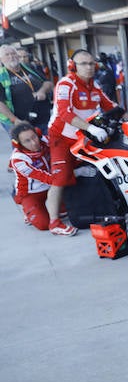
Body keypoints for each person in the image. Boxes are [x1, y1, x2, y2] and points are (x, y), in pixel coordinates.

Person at [45, 48, 120, 237]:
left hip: (84, 138)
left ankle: (108, 210)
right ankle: (54, 222)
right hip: (61, 138)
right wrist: (91, 128)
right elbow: (64, 113)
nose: (89, 67)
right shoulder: (65, 84)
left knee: (102, 171)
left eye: (92, 63)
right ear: (72, 66)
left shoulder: (95, 86)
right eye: (84, 64)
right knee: (60, 178)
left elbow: (111, 107)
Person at [0, 44, 53, 137]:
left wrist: (42, 91)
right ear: (1, 59)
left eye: (13, 53)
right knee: (29, 146)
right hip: (21, 124)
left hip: (44, 118)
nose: (11, 56)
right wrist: (14, 120)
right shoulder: (1, 76)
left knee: (49, 143)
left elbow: (48, 83)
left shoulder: (29, 67)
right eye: (7, 55)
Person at [10, 122, 53, 230]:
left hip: (51, 187)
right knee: (44, 224)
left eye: (34, 137)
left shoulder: (45, 140)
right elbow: (43, 177)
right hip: (31, 193)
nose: (34, 143)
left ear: (38, 134)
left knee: (65, 211)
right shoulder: (18, 159)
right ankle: (28, 210)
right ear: (19, 144)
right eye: (27, 141)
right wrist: (72, 174)